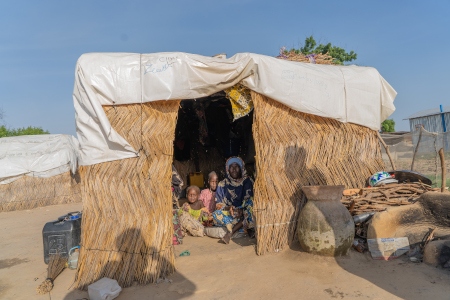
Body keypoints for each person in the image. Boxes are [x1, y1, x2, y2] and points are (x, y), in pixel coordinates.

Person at [213, 157, 254, 244]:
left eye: (237, 167)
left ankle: (230, 232)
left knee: (251, 206)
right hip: (231, 215)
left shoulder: (247, 181)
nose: (234, 170)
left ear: (241, 168)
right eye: (231, 167)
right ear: (227, 169)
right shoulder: (222, 184)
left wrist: (241, 210)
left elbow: (250, 199)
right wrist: (229, 208)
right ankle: (244, 226)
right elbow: (219, 205)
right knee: (215, 215)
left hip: (244, 212)